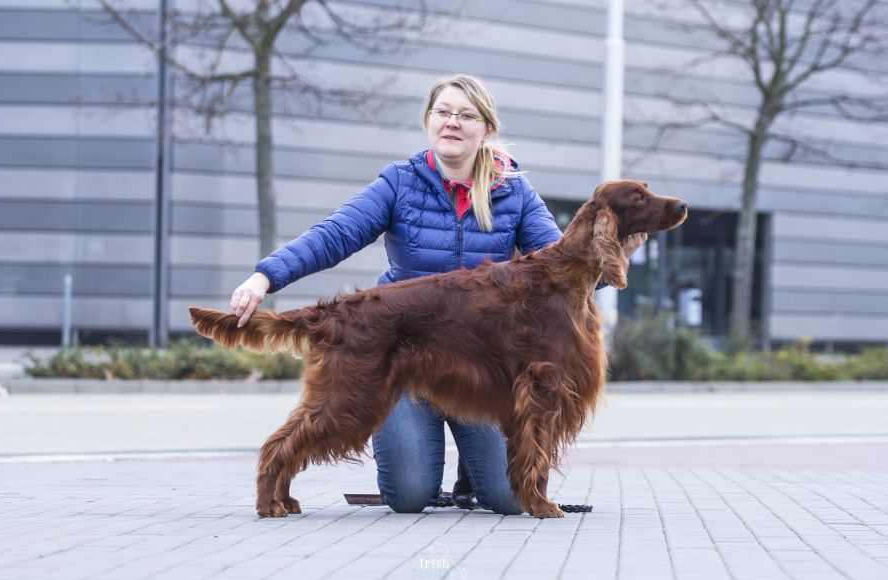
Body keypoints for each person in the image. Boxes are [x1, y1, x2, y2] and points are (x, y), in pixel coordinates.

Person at [229, 74, 647, 515]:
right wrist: (265, 278)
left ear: (486, 128)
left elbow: (562, 271)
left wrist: (616, 253)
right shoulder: (400, 182)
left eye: (466, 115)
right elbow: (335, 234)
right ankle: (276, 471)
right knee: (409, 495)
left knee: (509, 499)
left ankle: (474, 469)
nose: (453, 122)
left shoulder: (514, 190)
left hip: (483, 368)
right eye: (443, 112)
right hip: (401, 343)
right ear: (429, 121)